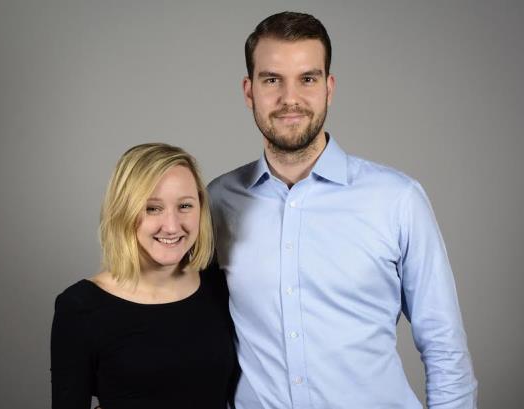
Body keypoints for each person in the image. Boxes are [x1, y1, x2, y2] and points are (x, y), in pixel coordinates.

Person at [208, 11, 478, 409]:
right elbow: (180, 322)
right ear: (249, 91)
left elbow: (444, 346)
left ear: (329, 88)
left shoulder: (397, 200)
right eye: (272, 80)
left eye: (307, 79)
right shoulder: (217, 202)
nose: (290, 99)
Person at [51, 143, 236, 409]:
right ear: (123, 211)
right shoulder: (80, 307)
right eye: (152, 208)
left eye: (185, 205)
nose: (171, 226)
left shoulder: (218, 285)